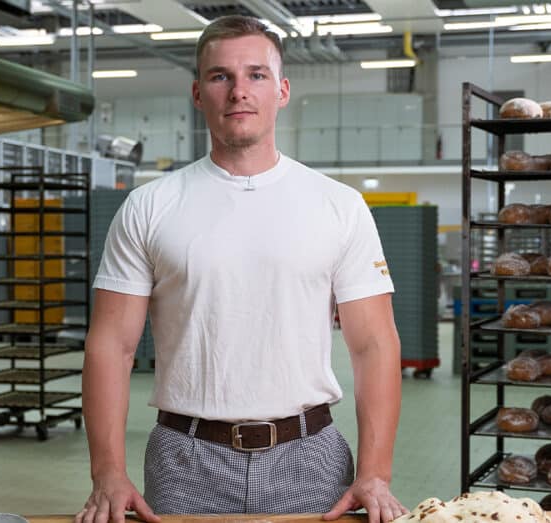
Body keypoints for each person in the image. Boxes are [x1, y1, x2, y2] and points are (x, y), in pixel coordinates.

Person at [76, 15, 406, 523]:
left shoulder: (339, 205)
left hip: (310, 458)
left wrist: (375, 473)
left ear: (282, 90)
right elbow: (111, 346)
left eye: (256, 74)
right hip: (184, 461)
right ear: (197, 93)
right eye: (220, 76)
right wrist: (108, 473)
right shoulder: (149, 206)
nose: (239, 91)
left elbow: (374, 345)